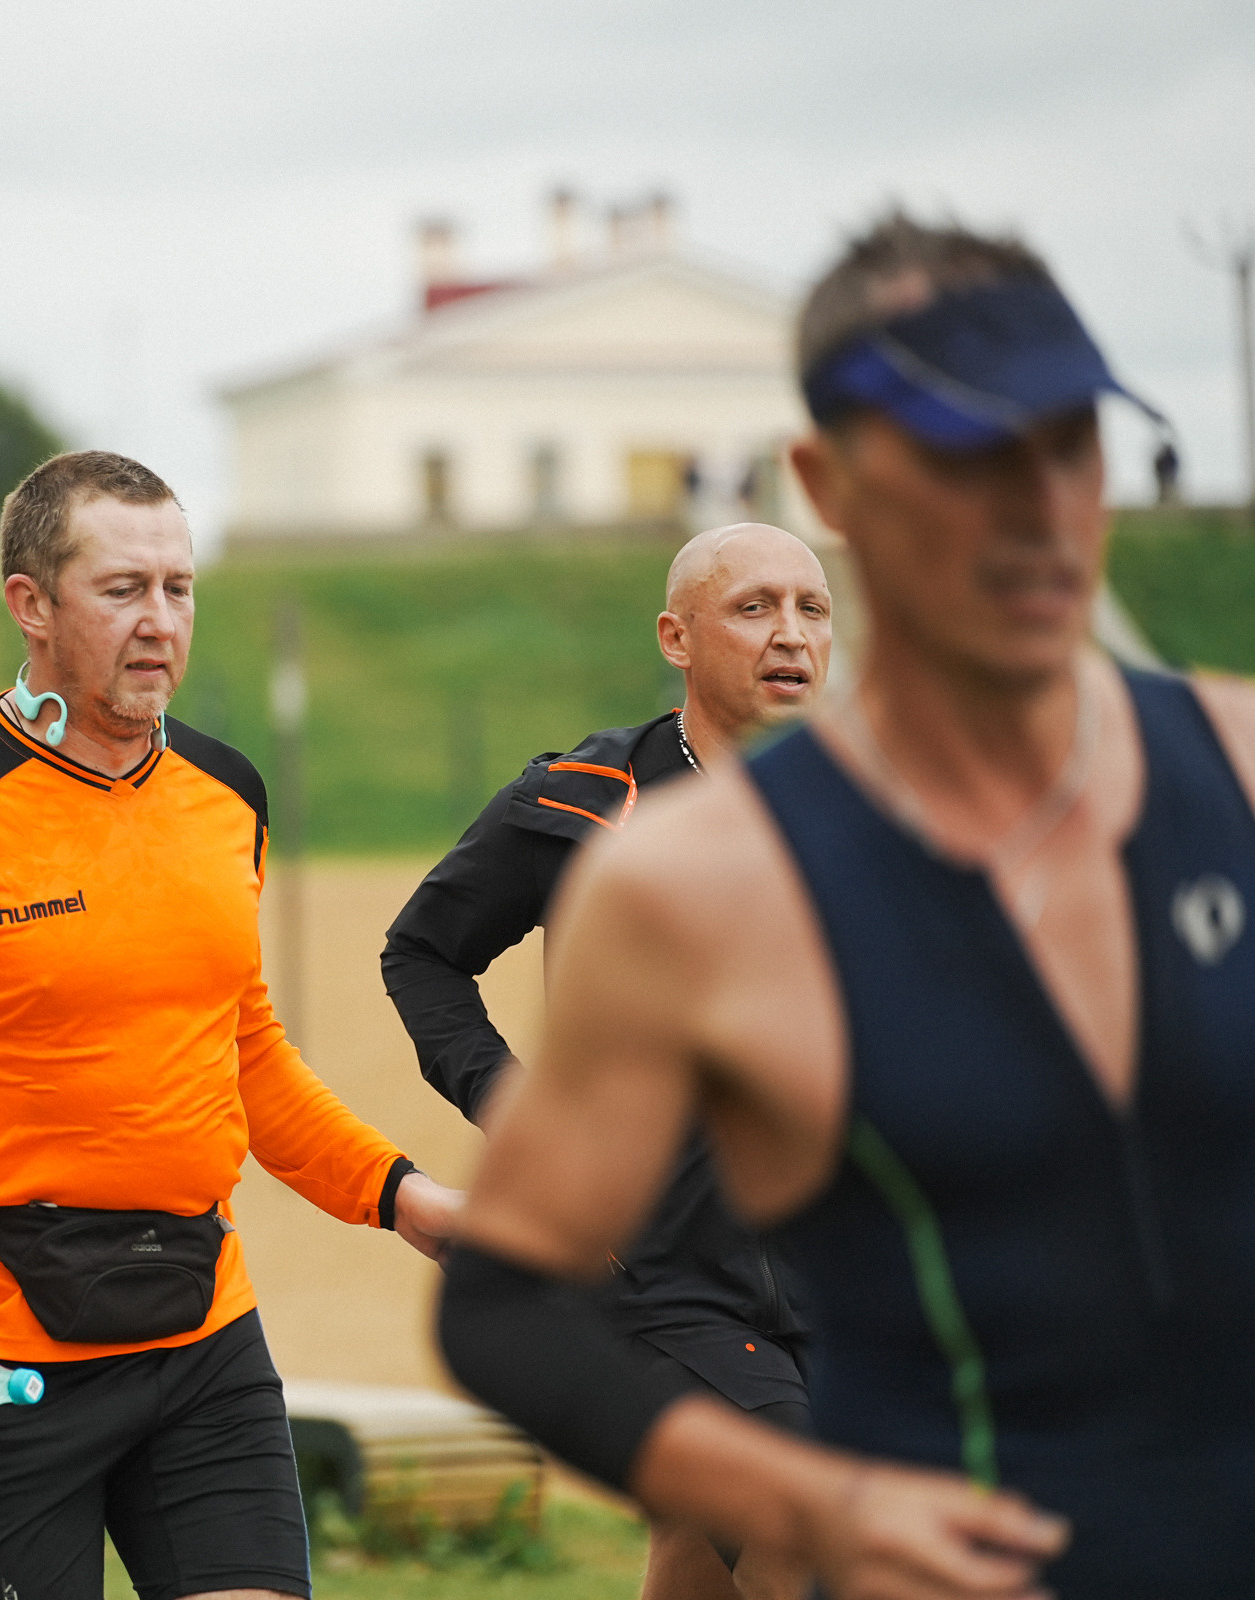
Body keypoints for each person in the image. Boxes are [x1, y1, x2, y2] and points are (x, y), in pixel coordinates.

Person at [431, 210, 1255, 1599]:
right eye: (964, 455)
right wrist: (793, 1498)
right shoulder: (697, 881)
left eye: (1069, 445)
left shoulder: (1235, 768)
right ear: (832, 479)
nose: (1038, 504)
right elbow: (507, 1300)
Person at [0, 449, 466, 1600]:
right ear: (31, 604)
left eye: (179, 587)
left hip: (203, 1326)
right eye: (123, 589)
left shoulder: (228, 797)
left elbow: (245, 1050)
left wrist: (406, 1197)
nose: (161, 620)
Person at [382, 519, 831, 1600]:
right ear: (676, 637)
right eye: (754, 607)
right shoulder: (581, 800)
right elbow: (424, 954)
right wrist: (516, 1104)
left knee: (696, 1558)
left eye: (813, 608)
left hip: (838, 1270)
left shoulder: (871, 801)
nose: (791, 636)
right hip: (661, 1273)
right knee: (805, 1538)